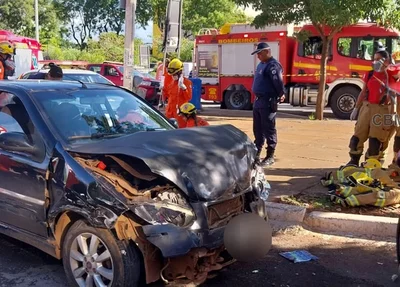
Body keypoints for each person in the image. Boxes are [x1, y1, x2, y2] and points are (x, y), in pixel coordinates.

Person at [347, 50, 396, 166]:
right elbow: (363, 92)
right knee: (357, 138)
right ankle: (353, 161)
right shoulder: (369, 74)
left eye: (379, 59)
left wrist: (393, 115)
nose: (375, 62)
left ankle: (371, 164)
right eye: (374, 59)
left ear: (387, 61)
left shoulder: (391, 76)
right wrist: (356, 108)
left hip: (381, 111)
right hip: (367, 108)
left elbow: (393, 96)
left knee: (376, 141)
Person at [251, 42, 285, 166]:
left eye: (259, 53)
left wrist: (281, 93)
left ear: (267, 52)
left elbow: (278, 82)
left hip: (267, 101)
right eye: (257, 54)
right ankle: (256, 154)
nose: (258, 56)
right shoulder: (261, 64)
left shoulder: (273, 66)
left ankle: (270, 155)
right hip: (258, 101)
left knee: (268, 129)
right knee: (257, 129)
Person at [164, 58, 192, 128]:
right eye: (172, 75)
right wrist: (163, 89)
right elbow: (168, 95)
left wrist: (184, 88)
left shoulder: (186, 82)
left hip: (180, 114)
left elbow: (188, 97)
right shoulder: (172, 82)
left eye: (174, 74)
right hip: (170, 112)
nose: (173, 76)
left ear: (179, 72)